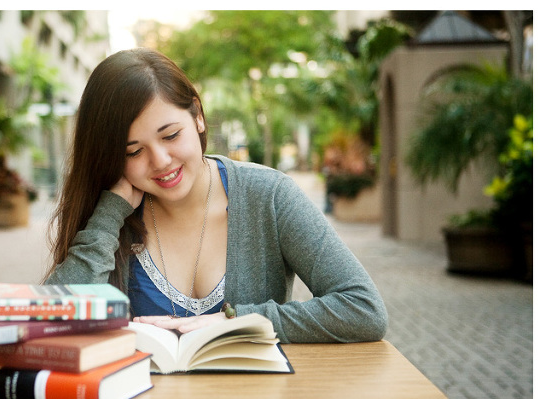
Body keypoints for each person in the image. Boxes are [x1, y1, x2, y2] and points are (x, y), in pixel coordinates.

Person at [44, 48, 387, 344]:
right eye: (133, 151)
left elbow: (363, 308)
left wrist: (238, 322)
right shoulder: (112, 214)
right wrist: (108, 217)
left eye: (171, 135)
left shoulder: (268, 196)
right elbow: (50, 320)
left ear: (198, 117)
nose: (161, 162)